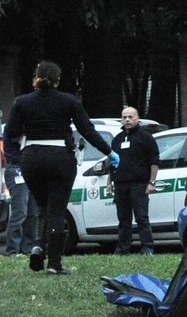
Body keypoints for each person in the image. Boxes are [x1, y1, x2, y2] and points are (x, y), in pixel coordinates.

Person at [2, 62, 117, 274]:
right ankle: (54, 263)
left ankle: (38, 244)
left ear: (36, 77)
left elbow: (10, 132)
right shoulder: (68, 101)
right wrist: (109, 152)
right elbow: (87, 130)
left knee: (41, 204)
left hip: (31, 158)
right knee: (56, 208)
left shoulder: (22, 102)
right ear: (57, 79)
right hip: (60, 157)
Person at [109, 106, 160, 255]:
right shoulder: (117, 139)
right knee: (123, 220)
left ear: (137, 119)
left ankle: (147, 248)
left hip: (139, 184)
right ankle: (122, 249)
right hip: (120, 185)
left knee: (141, 218)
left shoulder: (145, 138)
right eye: (124, 117)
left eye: (130, 117)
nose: (127, 120)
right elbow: (111, 162)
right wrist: (109, 182)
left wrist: (152, 182)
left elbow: (154, 161)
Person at [3, 121, 36, 256]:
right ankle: (12, 250)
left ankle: (27, 249)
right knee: (20, 212)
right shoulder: (13, 126)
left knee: (32, 213)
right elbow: (25, 143)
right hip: (16, 169)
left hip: (29, 169)